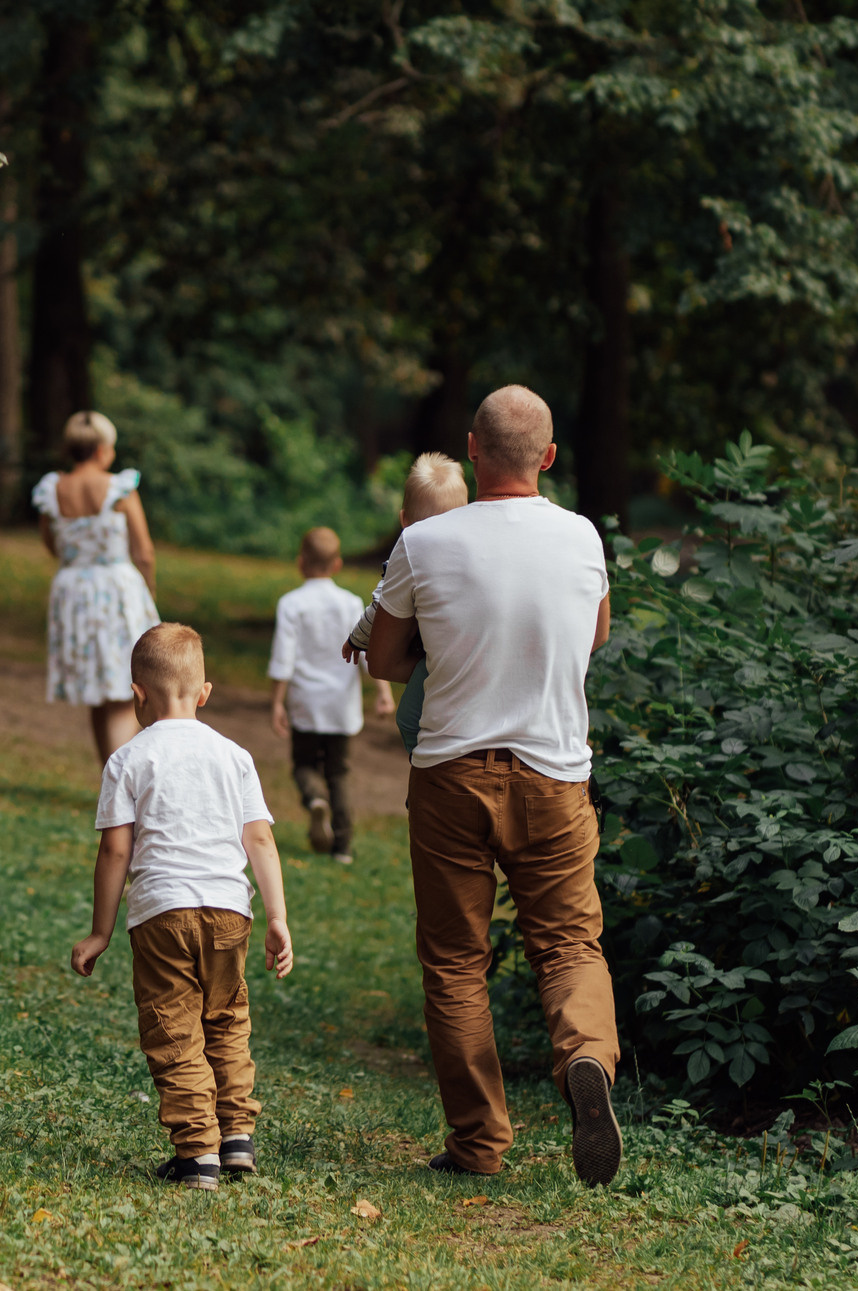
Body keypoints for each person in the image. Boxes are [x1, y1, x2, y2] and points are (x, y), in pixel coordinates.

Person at [364, 387, 621, 1188]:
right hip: (554, 775)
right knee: (570, 945)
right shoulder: (582, 537)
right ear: (548, 457)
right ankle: (585, 1057)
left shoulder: (427, 541)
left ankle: (478, 1143)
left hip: (451, 775)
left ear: (472, 448)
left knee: (453, 962)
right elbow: (596, 635)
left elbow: (383, 657)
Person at [71, 624, 294, 1189]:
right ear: (204, 693)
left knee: (174, 1029)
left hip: (161, 913)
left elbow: (115, 848)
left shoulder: (127, 759)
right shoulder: (234, 756)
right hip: (229, 912)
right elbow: (260, 839)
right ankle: (236, 1137)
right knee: (226, 1022)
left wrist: (101, 931)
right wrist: (276, 918)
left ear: (136, 694)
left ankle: (198, 1154)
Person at [34, 410, 161, 764]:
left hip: (73, 591)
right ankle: (122, 785)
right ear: (103, 450)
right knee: (123, 693)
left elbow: (51, 542)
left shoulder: (52, 490)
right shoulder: (119, 487)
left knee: (97, 692)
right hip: (116, 591)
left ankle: (110, 779)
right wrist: (148, 588)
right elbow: (144, 550)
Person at [266, 527, 391, 863]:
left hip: (306, 703)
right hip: (341, 705)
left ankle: (314, 798)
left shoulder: (291, 604)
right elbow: (366, 651)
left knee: (304, 764)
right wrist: (383, 692)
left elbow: (283, 657)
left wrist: (277, 702)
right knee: (339, 772)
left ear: (300, 563)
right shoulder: (351, 603)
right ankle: (343, 847)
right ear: (337, 564)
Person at [344, 453, 473, 756]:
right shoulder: (474, 558)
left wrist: (356, 639)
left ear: (404, 520)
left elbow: (379, 606)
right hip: (467, 651)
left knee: (408, 719)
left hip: (435, 659)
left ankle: (427, 766)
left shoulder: (409, 554)